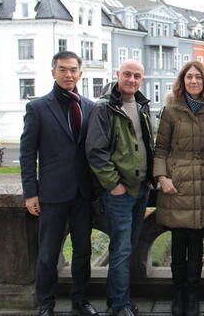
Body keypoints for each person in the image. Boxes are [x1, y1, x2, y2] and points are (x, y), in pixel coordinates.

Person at [20, 51, 97, 316]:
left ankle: (81, 299)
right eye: (63, 69)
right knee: (48, 254)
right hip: (51, 194)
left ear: (80, 74)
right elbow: (27, 153)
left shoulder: (90, 106)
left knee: (83, 250)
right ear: (53, 72)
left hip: (83, 193)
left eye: (73, 70)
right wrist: (30, 192)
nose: (68, 75)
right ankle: (46, 304)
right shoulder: (38, 107)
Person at [86, 60, 154, 316]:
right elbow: (95, 151)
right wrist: (113, 185)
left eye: (137, 75)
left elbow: (146, 143)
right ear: (117, 75)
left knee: (129, 246)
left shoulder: (142, 105)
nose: (132, 79)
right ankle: (119, 305)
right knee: (121, 249)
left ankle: (120, 299)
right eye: (127, 74)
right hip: (120, 192)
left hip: (141, 188)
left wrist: (150, 175)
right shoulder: (104, 107)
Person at [153, 61, 204, 316]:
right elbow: (160, 148)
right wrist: (161, 176)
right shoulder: (171, 110)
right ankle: (178, 293)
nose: (194, 81)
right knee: (178, 239)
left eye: (198, 77)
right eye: (189, 77)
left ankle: (192, 294)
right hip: (177, 181)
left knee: (196, 241)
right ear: (182, 81)